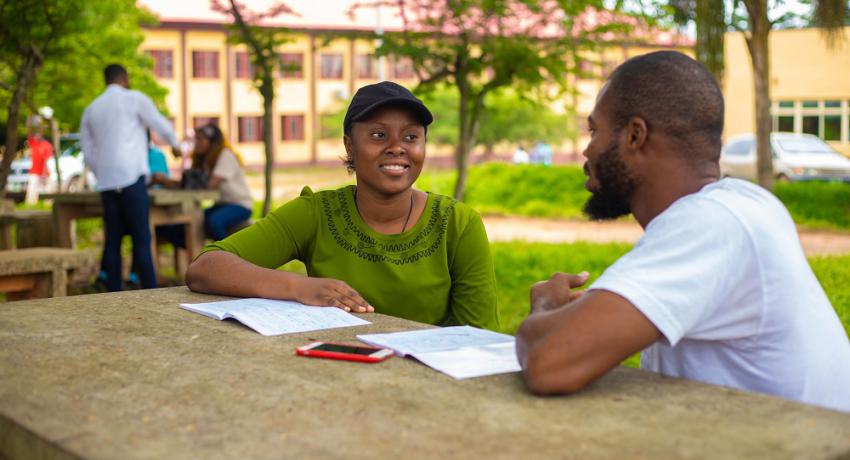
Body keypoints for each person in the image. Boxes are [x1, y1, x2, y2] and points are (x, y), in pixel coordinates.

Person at [515, 51, 850, 412]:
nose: (587, 148)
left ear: (634, 136)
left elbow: (549, 363)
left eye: (595, 130)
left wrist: (546, 309)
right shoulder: (746, 205)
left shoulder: (712, 222)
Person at [185, 81, 500, 329]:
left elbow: (480, 335)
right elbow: (206, 268)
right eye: (378, 135)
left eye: (411, 137)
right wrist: (297, 286)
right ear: (350, 145)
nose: (396, 148)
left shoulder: (458, 224)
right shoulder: (317, 214)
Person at [81, 64, 181, 292]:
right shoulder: (134, 98)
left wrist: (102, 172)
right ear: (125, 78)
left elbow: (88, 150)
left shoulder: (91, 109)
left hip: (107, 184)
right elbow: (160, 124)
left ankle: (114, 293)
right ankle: (150, 291)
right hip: (132, 179)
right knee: (142, 239)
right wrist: (175, 145)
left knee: (113, 240)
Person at [151, 123, 253, 241]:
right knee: (181, 228)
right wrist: (165, 181)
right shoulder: (204, 160)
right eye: (196, 140)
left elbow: (209, 185)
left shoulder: (225, 155)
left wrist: (183, 182)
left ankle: (228, 254)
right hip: (220, 205)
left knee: (214, 222)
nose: (196, 143)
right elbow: (190, 185)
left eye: (200, 140)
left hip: (239, 205)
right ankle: (197, 255)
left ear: (211, 142)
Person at [25, 114, 53, 204]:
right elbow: (29, 131)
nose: (37, 135)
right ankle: (30, 203)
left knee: (47, 191)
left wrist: (44, 172)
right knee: (32, 190)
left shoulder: (47, 145)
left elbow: (47, 160)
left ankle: (48, 203)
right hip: (34, 171)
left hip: (44, 171)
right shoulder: (34, 143)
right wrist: (29, 119)